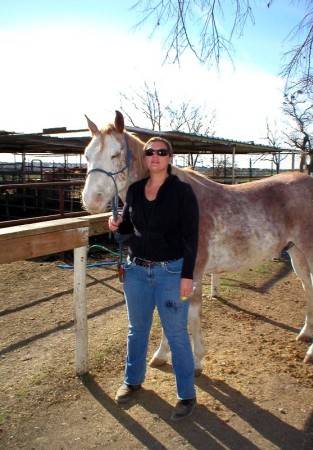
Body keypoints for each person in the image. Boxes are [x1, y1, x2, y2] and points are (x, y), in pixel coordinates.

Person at [108, 136, 199, 421]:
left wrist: (187, 275)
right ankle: (132, 381)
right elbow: (127, 231)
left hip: (171, 272)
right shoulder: (134, 191)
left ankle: (186, 395)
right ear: (145, 158)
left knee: (177, 335)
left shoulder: (182, 192)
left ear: (170, 158)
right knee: (137, 329)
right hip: (136, 271)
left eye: (162, 152)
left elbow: (191, 237)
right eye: (150, 152)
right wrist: (116, 226)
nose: (156, 156)